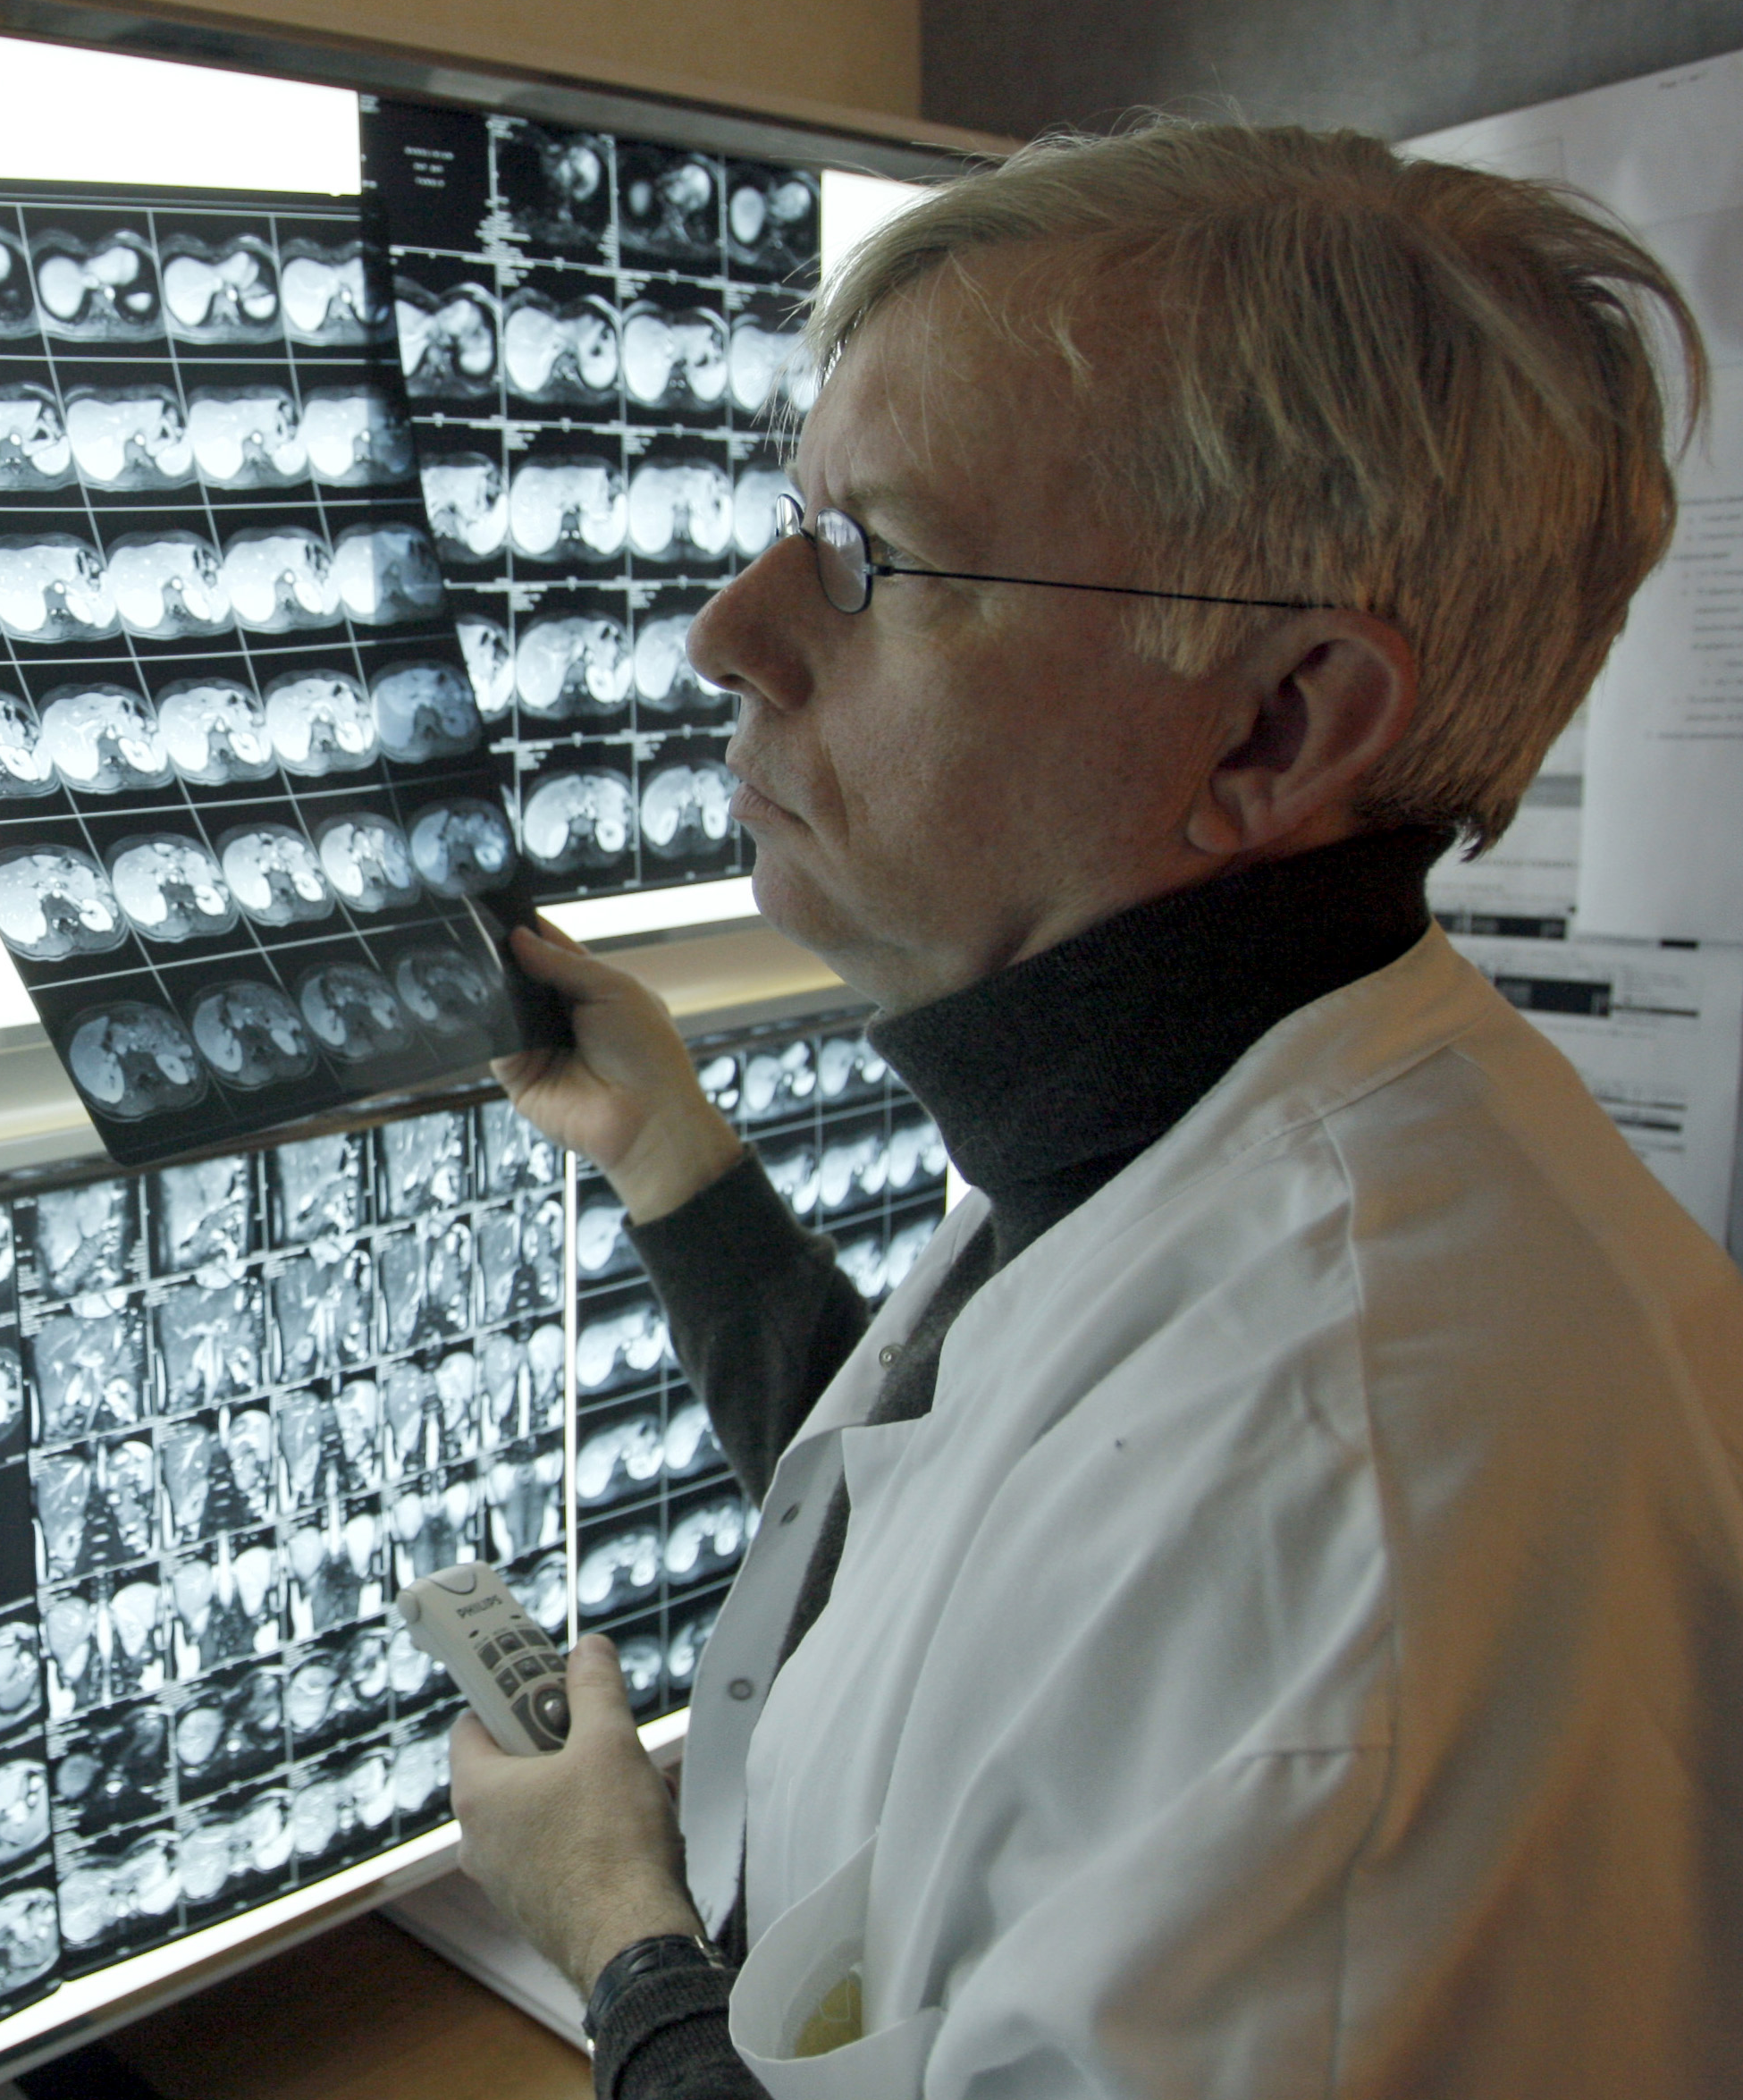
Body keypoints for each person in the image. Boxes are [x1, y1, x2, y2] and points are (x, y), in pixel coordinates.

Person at [447, 121, 1743, 2099]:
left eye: (873, 558)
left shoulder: (1342, 1532)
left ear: (1277, 723)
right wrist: (670, 1161)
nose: (733, 627)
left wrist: (620, 1942)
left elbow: (1139, 1559)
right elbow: (992, 1507)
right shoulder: (1225, 1101)